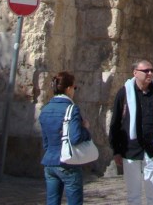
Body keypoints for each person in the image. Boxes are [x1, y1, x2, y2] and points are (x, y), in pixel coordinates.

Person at [109, 59, 153, 205]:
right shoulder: (124, 93)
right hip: (131, 149)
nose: (150, 73)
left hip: (152, 148)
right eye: (146, 71)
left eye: (152, 70)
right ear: (135, 73)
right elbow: (115, 122)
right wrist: (116, 150)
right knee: (133, 194)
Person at [39, 71, 92, 205]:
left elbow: (45, 141)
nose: (74, 90)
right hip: (68, 163)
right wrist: (85, 129)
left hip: (50, 162)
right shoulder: (71, 109)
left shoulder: (45, 109)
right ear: (68, 89)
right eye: (75, 87)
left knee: (52, 201)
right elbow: (75, 137)